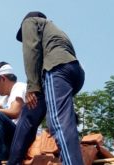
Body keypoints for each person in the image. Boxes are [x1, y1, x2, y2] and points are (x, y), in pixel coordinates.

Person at [8, 11, 85, 165]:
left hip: (56, 70)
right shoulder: (55, 30)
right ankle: (14, 160)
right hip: (73, 71)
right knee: (31, 112)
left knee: (58, 121)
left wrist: (32, 86)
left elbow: (31, 50)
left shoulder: (30, 22)